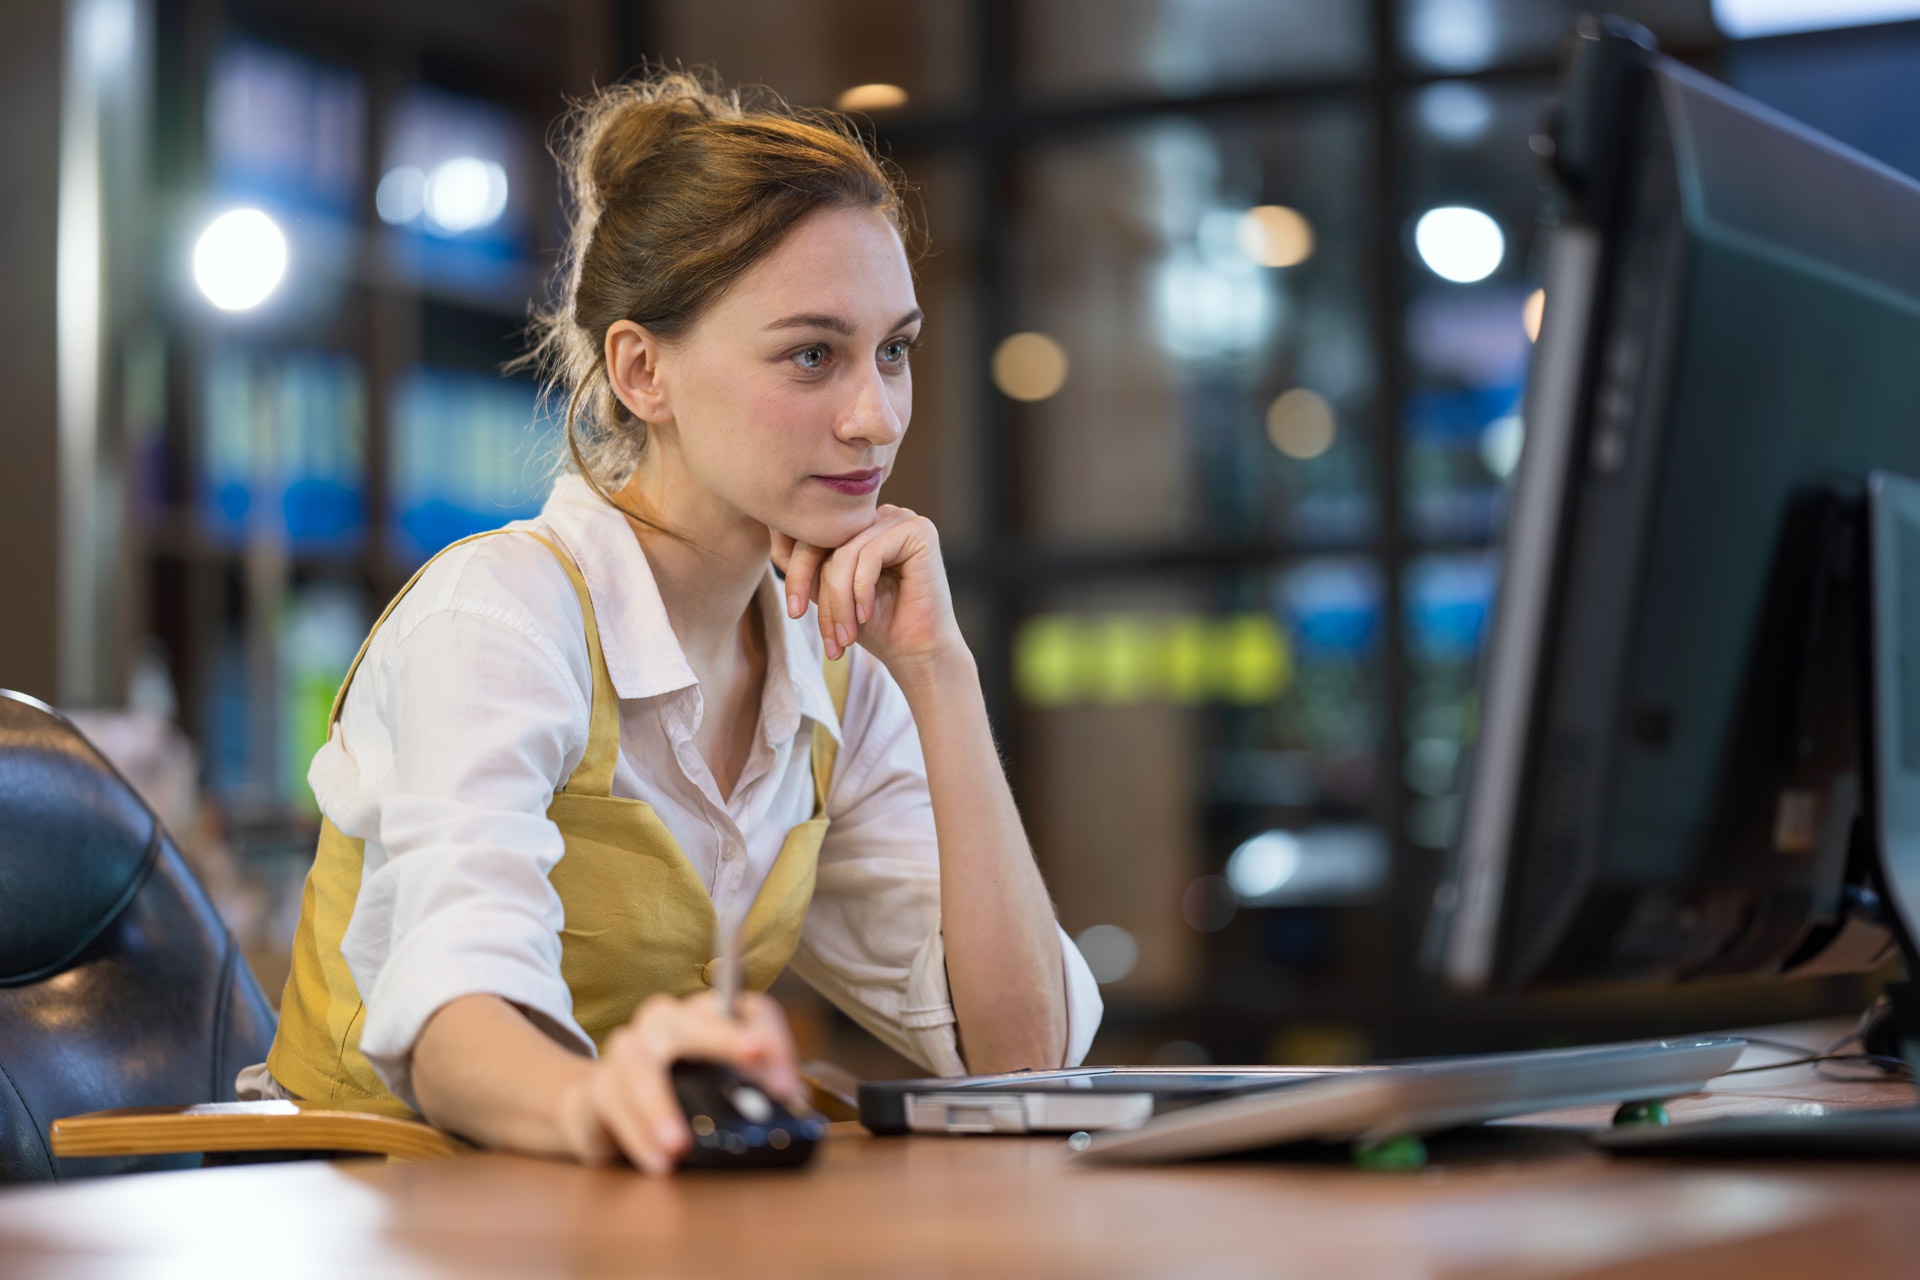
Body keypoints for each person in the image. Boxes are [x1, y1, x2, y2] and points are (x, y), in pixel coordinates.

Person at [242, 71, 1101, 1173]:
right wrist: (620, 1103)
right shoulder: (501, 614)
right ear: (643, 370)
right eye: (811, 354)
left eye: (894, 350)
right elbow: (456, 1027)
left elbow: (1020, 1061)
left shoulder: (838, 663)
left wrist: (941, 674)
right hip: (362, 1214)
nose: (875, 415)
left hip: (620, 1215)